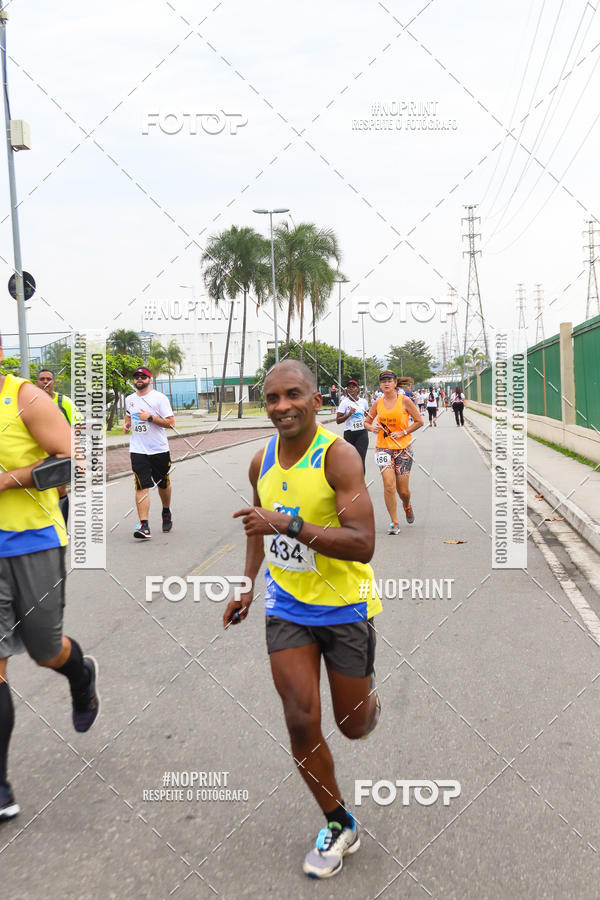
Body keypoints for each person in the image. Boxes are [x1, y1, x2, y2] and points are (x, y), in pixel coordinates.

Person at [224, 360, 382, 879]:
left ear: (317, 401)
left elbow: (363, 544)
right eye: (271, 398)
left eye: (293, 395)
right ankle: (339, 822)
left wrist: (289, 524)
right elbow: (255, 526)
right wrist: (246, 586)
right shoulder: (260, 460)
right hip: (288, 609)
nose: (281, 406)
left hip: (344, 608)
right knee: (298, 718)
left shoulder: (337, 459)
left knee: (352, 725)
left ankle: (365, 700)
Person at [0, 334, 99, 821]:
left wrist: (5, 480)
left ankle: (80, 674)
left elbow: (71, 460)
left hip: (32, 541)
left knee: (44, 651)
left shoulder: (24, 399)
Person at [364, 370, 423, 534]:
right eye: (383, 381)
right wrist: (372, 427)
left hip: (403, 449)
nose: (386, 383)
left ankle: (407, 505)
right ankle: (394, 522)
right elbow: (366, 422)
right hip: (383, 448)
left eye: (390, 380)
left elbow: (419, 421)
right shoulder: (377, 403)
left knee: (403, 491)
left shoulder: (405, 401)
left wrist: (403, 432)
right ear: (380, 385)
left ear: (395, 383)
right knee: (389, 486)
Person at [124, 366, 175, 539]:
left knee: (162, 484)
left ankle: (166, 511)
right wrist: (127, 425)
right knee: (141, 485)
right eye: (136, 377)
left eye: (143, 377)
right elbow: (129, 416)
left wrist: (151, 418)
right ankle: (144, 525)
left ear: (150, 379)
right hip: (138, 450)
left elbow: (171, 423)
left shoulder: (159, 398)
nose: (139, 379)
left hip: (159, 449)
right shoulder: (129, 399)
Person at [35, 368, 78, 526]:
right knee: (39, 489)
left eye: (48, 379)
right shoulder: (29, 401)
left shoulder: (63, 401)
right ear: (37, 382)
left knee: (60, 488)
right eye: (42, 379)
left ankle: (61, 526)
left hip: (59, 453)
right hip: (35, 454)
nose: (45, 382)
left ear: (54, 382)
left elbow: (77, 424)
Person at [336, 379, 369, 473]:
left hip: (362, 433)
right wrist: (349, 414)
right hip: (349, 433)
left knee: (360, 459)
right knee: (350, 460)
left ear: (357, 389)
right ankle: (352, 482)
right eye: (349, 387)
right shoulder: (344, 403)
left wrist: (367, 417)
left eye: (353, 387)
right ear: (347, 390)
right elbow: (338, 420)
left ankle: (361, 483)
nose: (351, 389)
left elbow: (368, 414)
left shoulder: (363, 402)